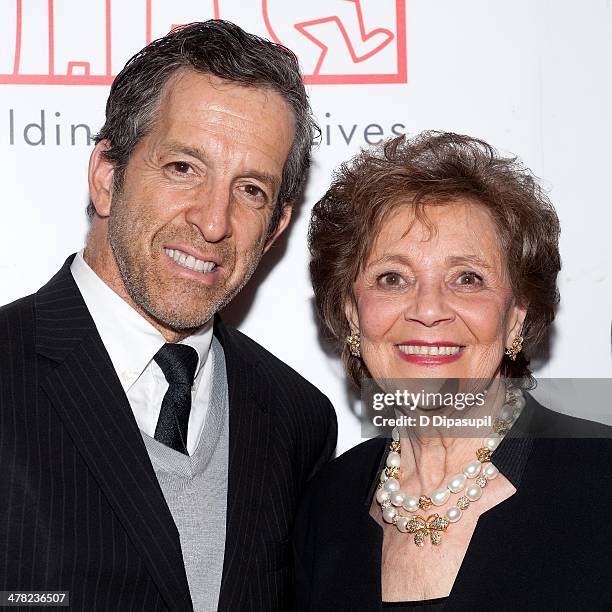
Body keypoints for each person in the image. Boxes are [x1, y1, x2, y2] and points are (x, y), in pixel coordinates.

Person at [0, 20, 337, 611]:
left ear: (277, 226)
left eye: (251, 190)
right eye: (183, 167)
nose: (213, 221)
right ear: (108, 176)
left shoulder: (298, 421)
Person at [295, 132, 612, 610]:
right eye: (392, 278)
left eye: (467, 278)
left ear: (516, 316)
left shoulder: (600, 479)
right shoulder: (325, 506)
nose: (428, 310)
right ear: (354, 314)